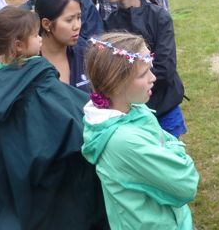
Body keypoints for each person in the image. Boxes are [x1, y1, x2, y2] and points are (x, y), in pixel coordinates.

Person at [0, 6, 108, 229]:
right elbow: (89, 144)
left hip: (10, 215)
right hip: (65, 211)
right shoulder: (50, 93)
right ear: (19, 45)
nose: (40, 39)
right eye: (36, 35)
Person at [82, 32, 199, 230]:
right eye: (143, 74)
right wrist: (174, 150)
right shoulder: (123, 141)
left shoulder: (136, 109)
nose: (153, 78)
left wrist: (165, 148)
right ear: (116, 83)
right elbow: (186, 183)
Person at [101, 0, 187, 137]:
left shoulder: (158, 16)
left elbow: (165, 66)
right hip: (131, 110)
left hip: (164, 103)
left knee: (170, 152)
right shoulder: (109, 23)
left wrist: (130, 84)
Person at [36, 0, 92, 93]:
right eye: (69, 20)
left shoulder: (86, 53)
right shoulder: (27, 62)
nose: (77, 26)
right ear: (46, 24)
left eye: (79, 17)